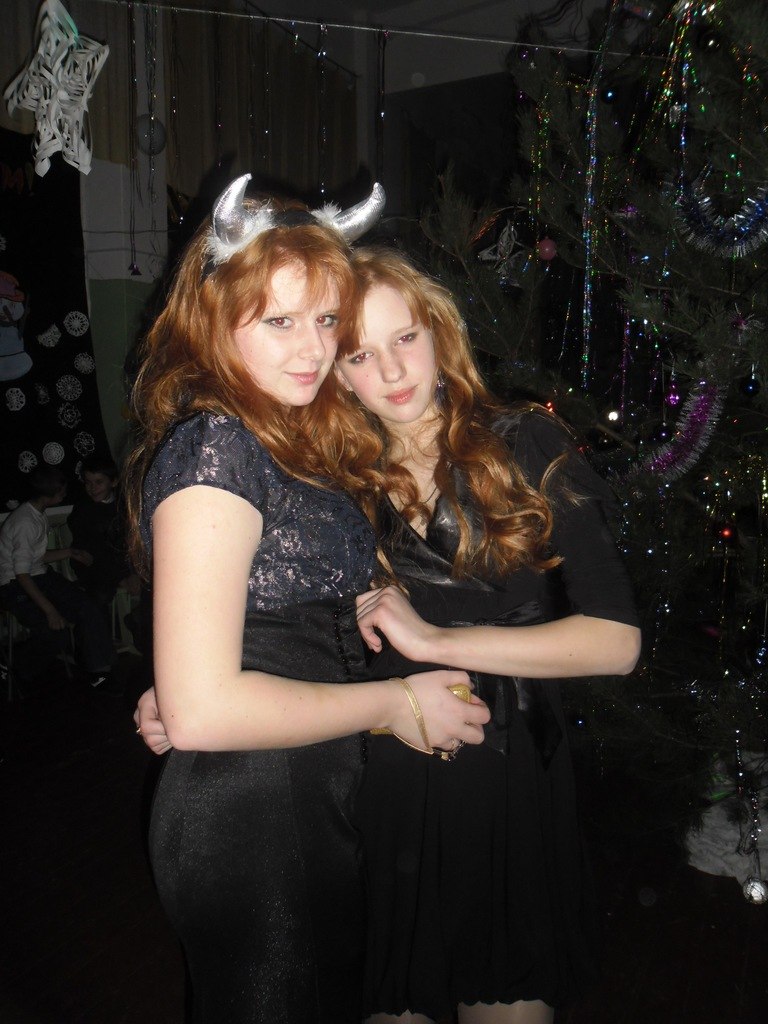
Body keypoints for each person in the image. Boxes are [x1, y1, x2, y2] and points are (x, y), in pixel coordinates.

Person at [125, 175, 489, 1024]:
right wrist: (395, 704)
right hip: (254, 811)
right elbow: (206, 712)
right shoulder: (216, 446)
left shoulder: (284, 436)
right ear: (214, 316)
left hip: (305, 786)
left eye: (326, 320)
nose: (313, 349)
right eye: (279, 321)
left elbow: (257, 624)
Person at [329, 248, 641, 1024]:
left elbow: (616, 641)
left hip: (508, 774)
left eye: (405, 338)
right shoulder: (337, 479)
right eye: (360, 355)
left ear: (438, 332)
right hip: (389, 771)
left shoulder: (524, 442)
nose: (391, 371)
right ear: (337, 374)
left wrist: (437, 642)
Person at [0, 465, 116, 688]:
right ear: (51, 494)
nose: (65, 493)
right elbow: (22, 574)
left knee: (87, 607)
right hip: (15, 585)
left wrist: (71, 552)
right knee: (55, 632)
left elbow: (36, 556)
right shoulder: (25, 522)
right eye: (62, 490)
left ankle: (99, 672)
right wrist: (51, 611)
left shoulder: (36, 513)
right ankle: (12, 669)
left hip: (39, 575)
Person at [67, 454, 140, 608]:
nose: (92, 488)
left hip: (120, 562)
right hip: (92, 565)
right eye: (88, 483)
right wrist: (121, 577)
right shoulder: (83, 511)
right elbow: (93, 551)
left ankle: (136, 618)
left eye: (98, 482)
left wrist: (132, 572)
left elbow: (131, 541)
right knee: (100, 595)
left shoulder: (123, 505)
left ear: (113, 482)